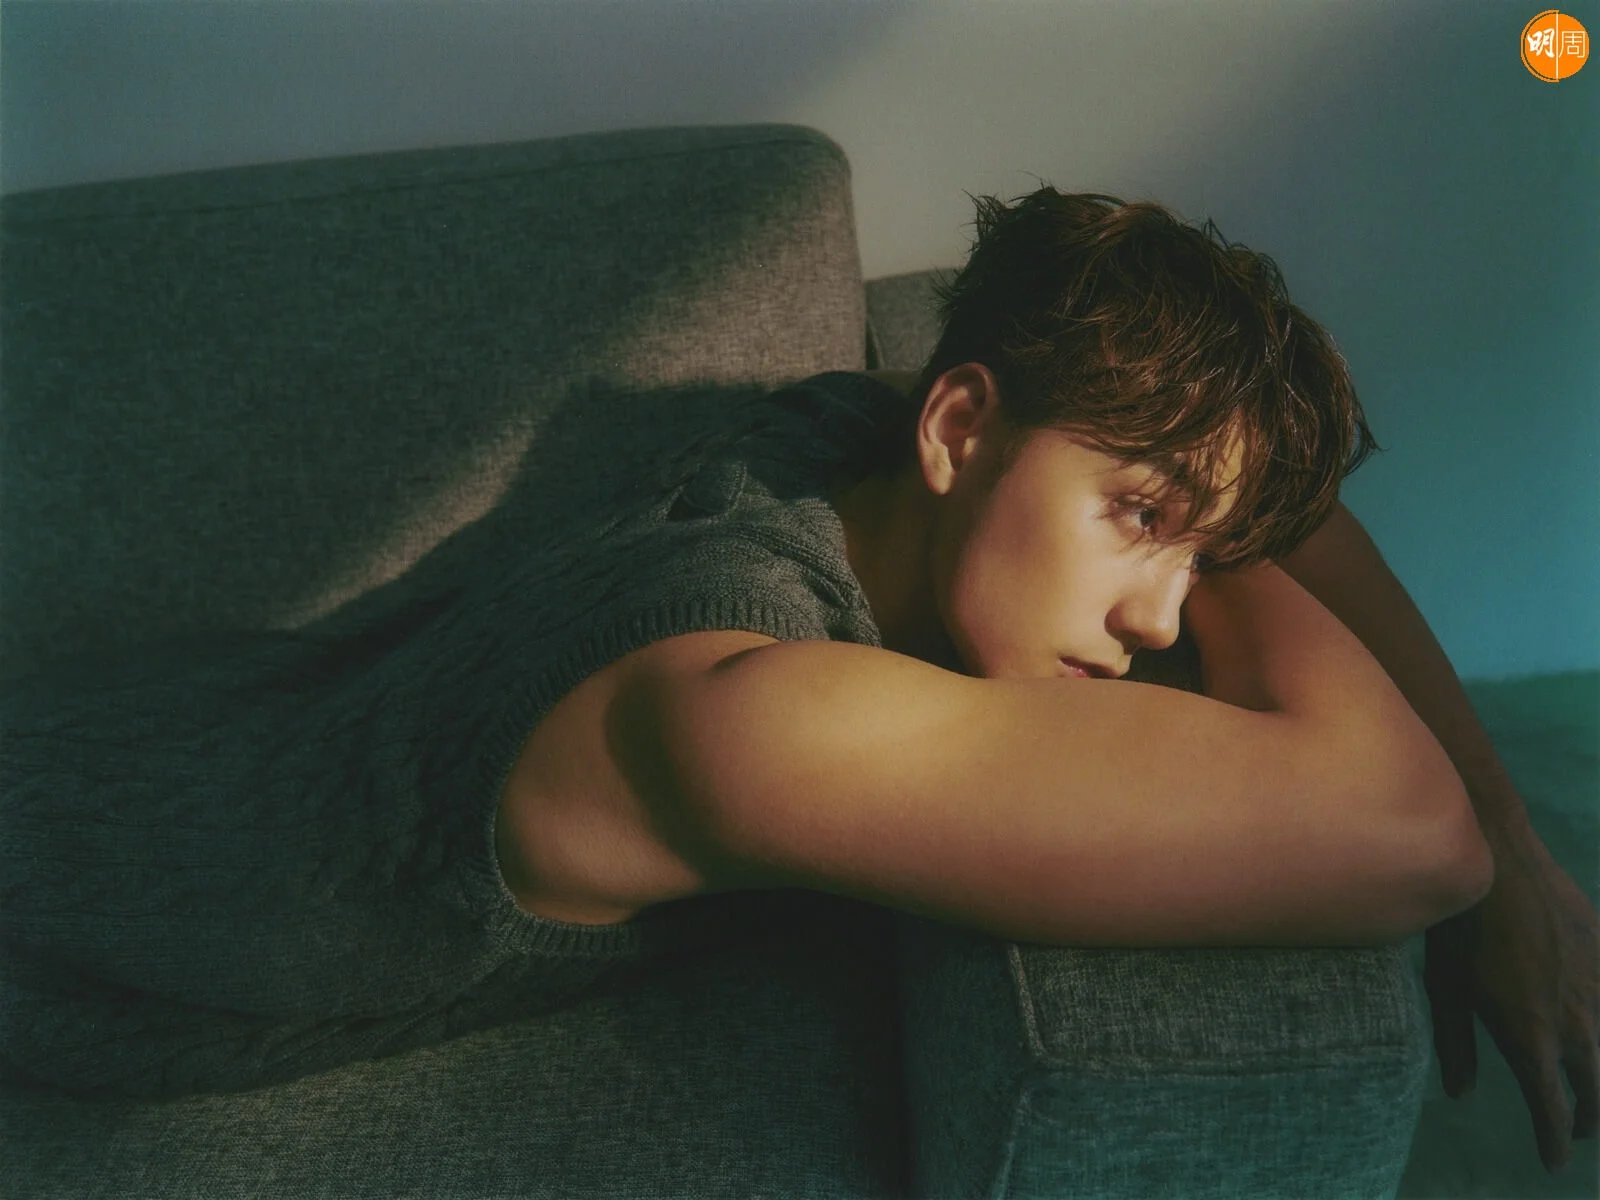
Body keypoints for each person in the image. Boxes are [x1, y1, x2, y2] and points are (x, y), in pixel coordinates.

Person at [3, 190, 1593, 1176]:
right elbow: (1413, 833)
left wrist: (1191, 508)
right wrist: (1503, 860)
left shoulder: (847, 436)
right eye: (1139, 519)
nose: (1161, 619)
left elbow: (1249, 493)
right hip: (69, 897)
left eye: (1207, 552)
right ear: (959, 428)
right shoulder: (749, 716)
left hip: (183, 721)